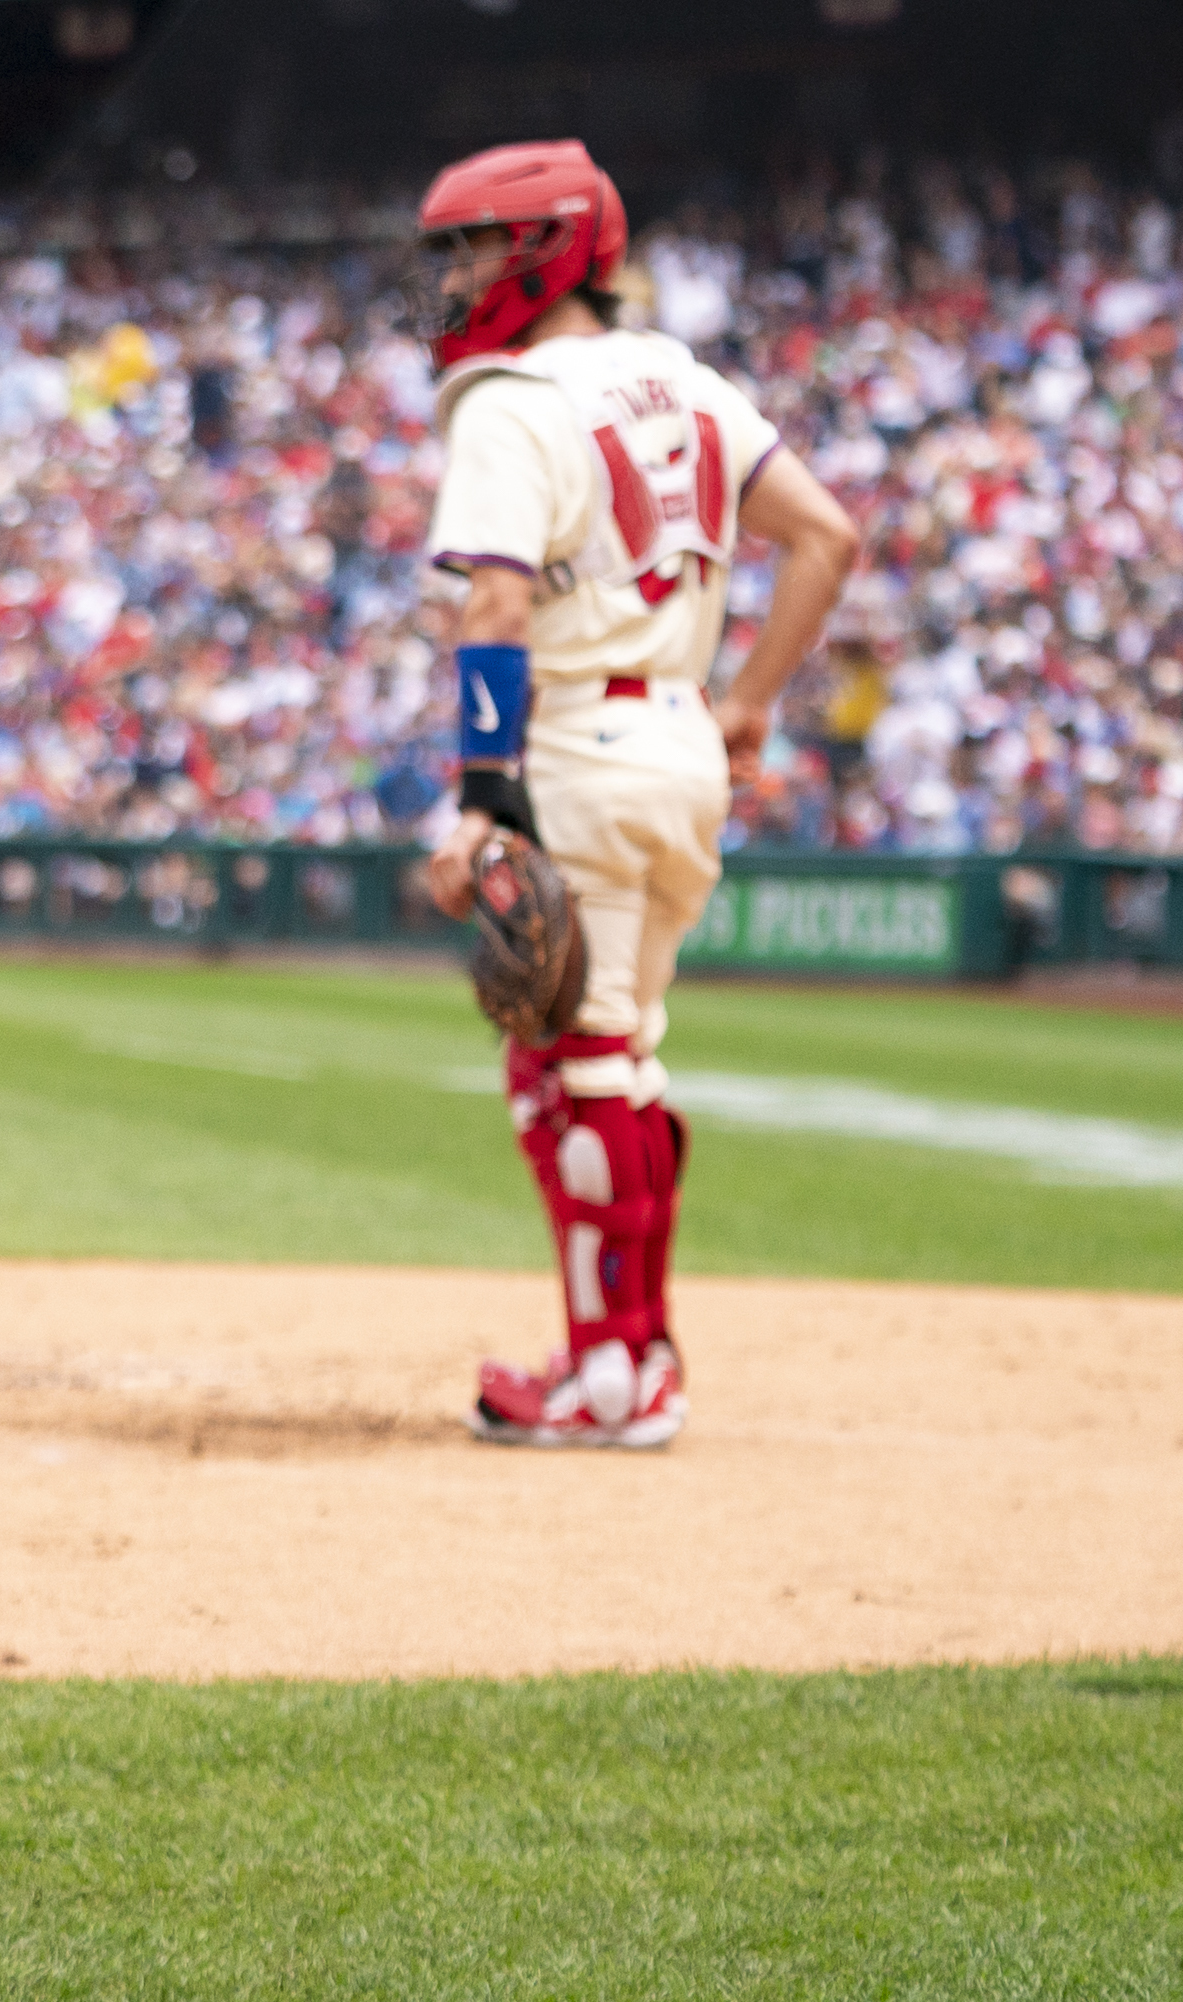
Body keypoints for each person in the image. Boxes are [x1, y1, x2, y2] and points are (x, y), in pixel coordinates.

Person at [413, 140, 861, 1453]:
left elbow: (494, 600)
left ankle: (614, 1377)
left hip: (576, 751)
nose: (453, 276)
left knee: (576, 1062)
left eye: (473, 247)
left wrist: (485, 794)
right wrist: (751, 701)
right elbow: (828, 538)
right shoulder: (689, 380)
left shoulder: (509, 399)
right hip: (677, 741)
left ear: (544, 248)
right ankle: (633, 1350)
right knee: (608, 1052)